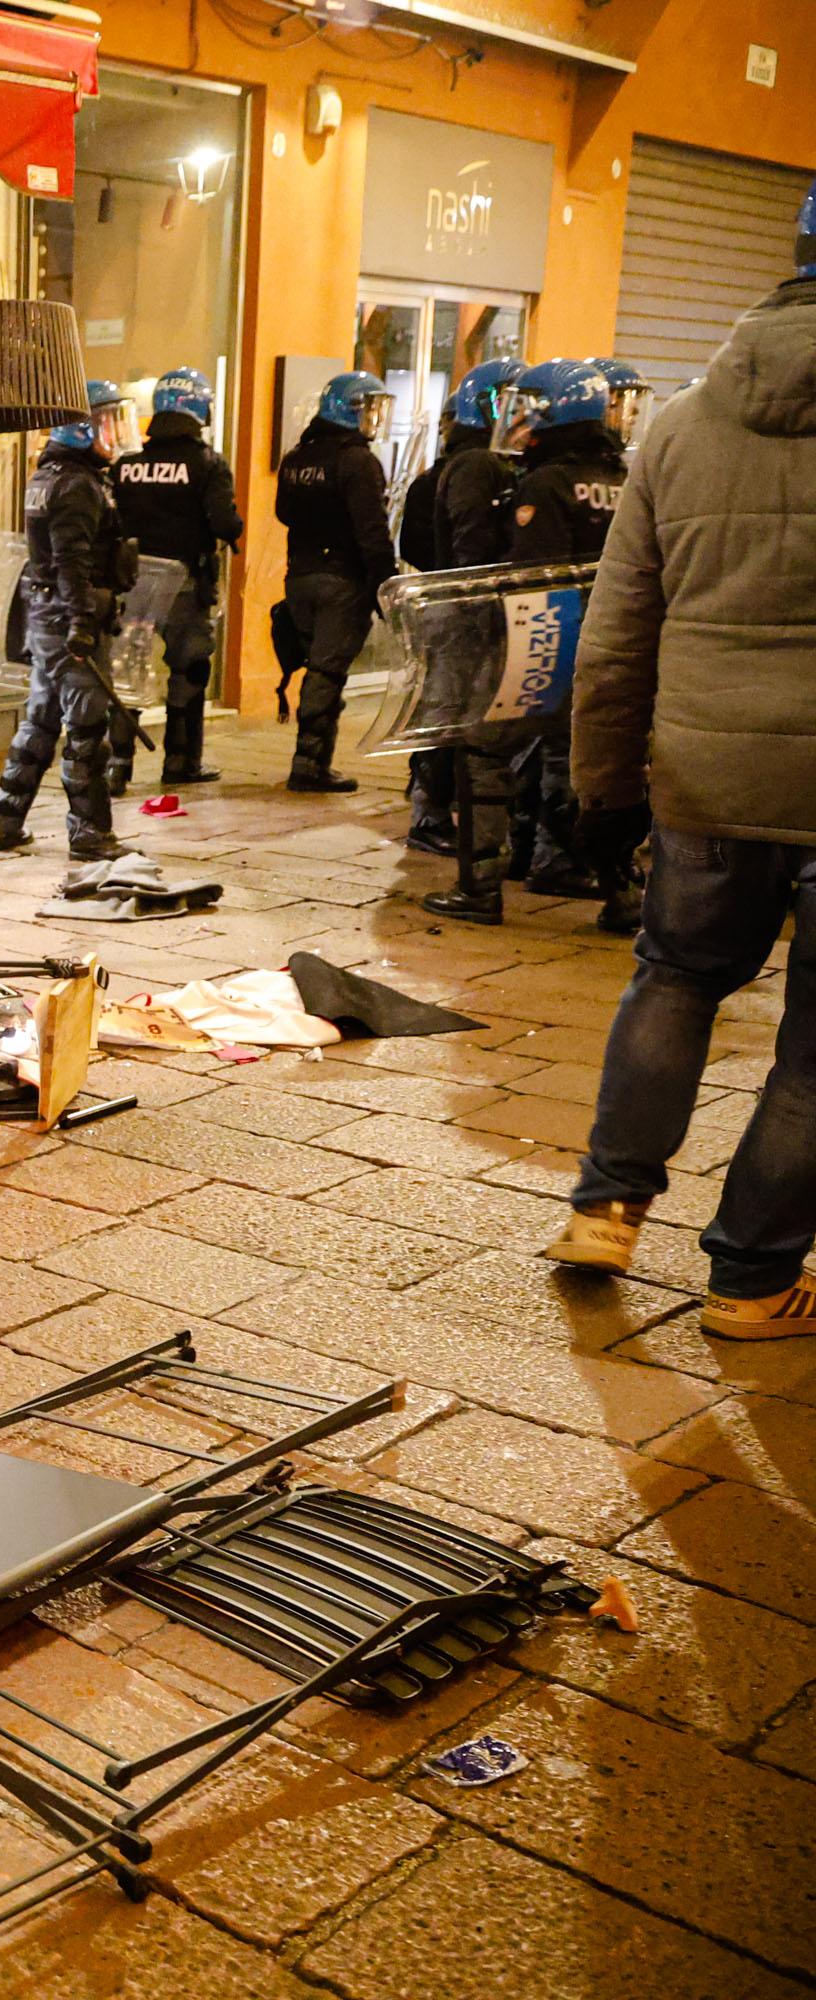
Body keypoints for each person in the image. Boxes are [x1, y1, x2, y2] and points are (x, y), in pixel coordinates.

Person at [542, 188, 816, 1339]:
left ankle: (607, 1207)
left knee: (676, 974)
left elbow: (616, 630)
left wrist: (600, 784)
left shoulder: (681, 425)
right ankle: (752, 1281)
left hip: (705, 772)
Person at [423, 360, 628, 928]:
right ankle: (616, 888)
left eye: (531, 405)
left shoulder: (544, 482)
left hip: (548, 637)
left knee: (484, 752)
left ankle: (480, 888)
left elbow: (535, 577)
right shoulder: (623, 480)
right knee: (592, 770)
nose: (521, 418)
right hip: (611, 646)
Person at [0, 380, 137, 861]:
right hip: (67, 618)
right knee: (87, 732)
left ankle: (4, 822)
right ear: (79, 428)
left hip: (46, 616)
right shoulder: (75, 484)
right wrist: (82, 623)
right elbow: (71, 562)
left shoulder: (49, 477)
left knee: (41, 722)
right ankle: (89, 832)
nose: (112, 434)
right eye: (105, 423)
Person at [396, 357, 522, 854]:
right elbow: (454, 545)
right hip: (459, 608)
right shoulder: (472, 468)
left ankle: (442, 806)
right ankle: (429, 814)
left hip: (457, 603)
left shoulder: (483, 465)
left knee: (457, 714)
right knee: (448, 714)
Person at [111, 367, 243, 788]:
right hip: (184, 584)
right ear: (199, 408)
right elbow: (225, 524)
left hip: (131, 583)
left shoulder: (126, 463)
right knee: (187, 673)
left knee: (126, 670)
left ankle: (116, 765)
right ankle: (181, 763)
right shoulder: (207, 463)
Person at [273, 370, 397, 792]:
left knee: (317, 668)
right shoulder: (357, 461)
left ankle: (312, 761)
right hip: (341, 580)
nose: (374, 420)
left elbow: (285, 514)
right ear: (349, 411)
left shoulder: (297, 459)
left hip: (299, 577)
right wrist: (386, 586)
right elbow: (372, 531)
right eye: (370, 409)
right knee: (327, 672)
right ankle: (309, 765)